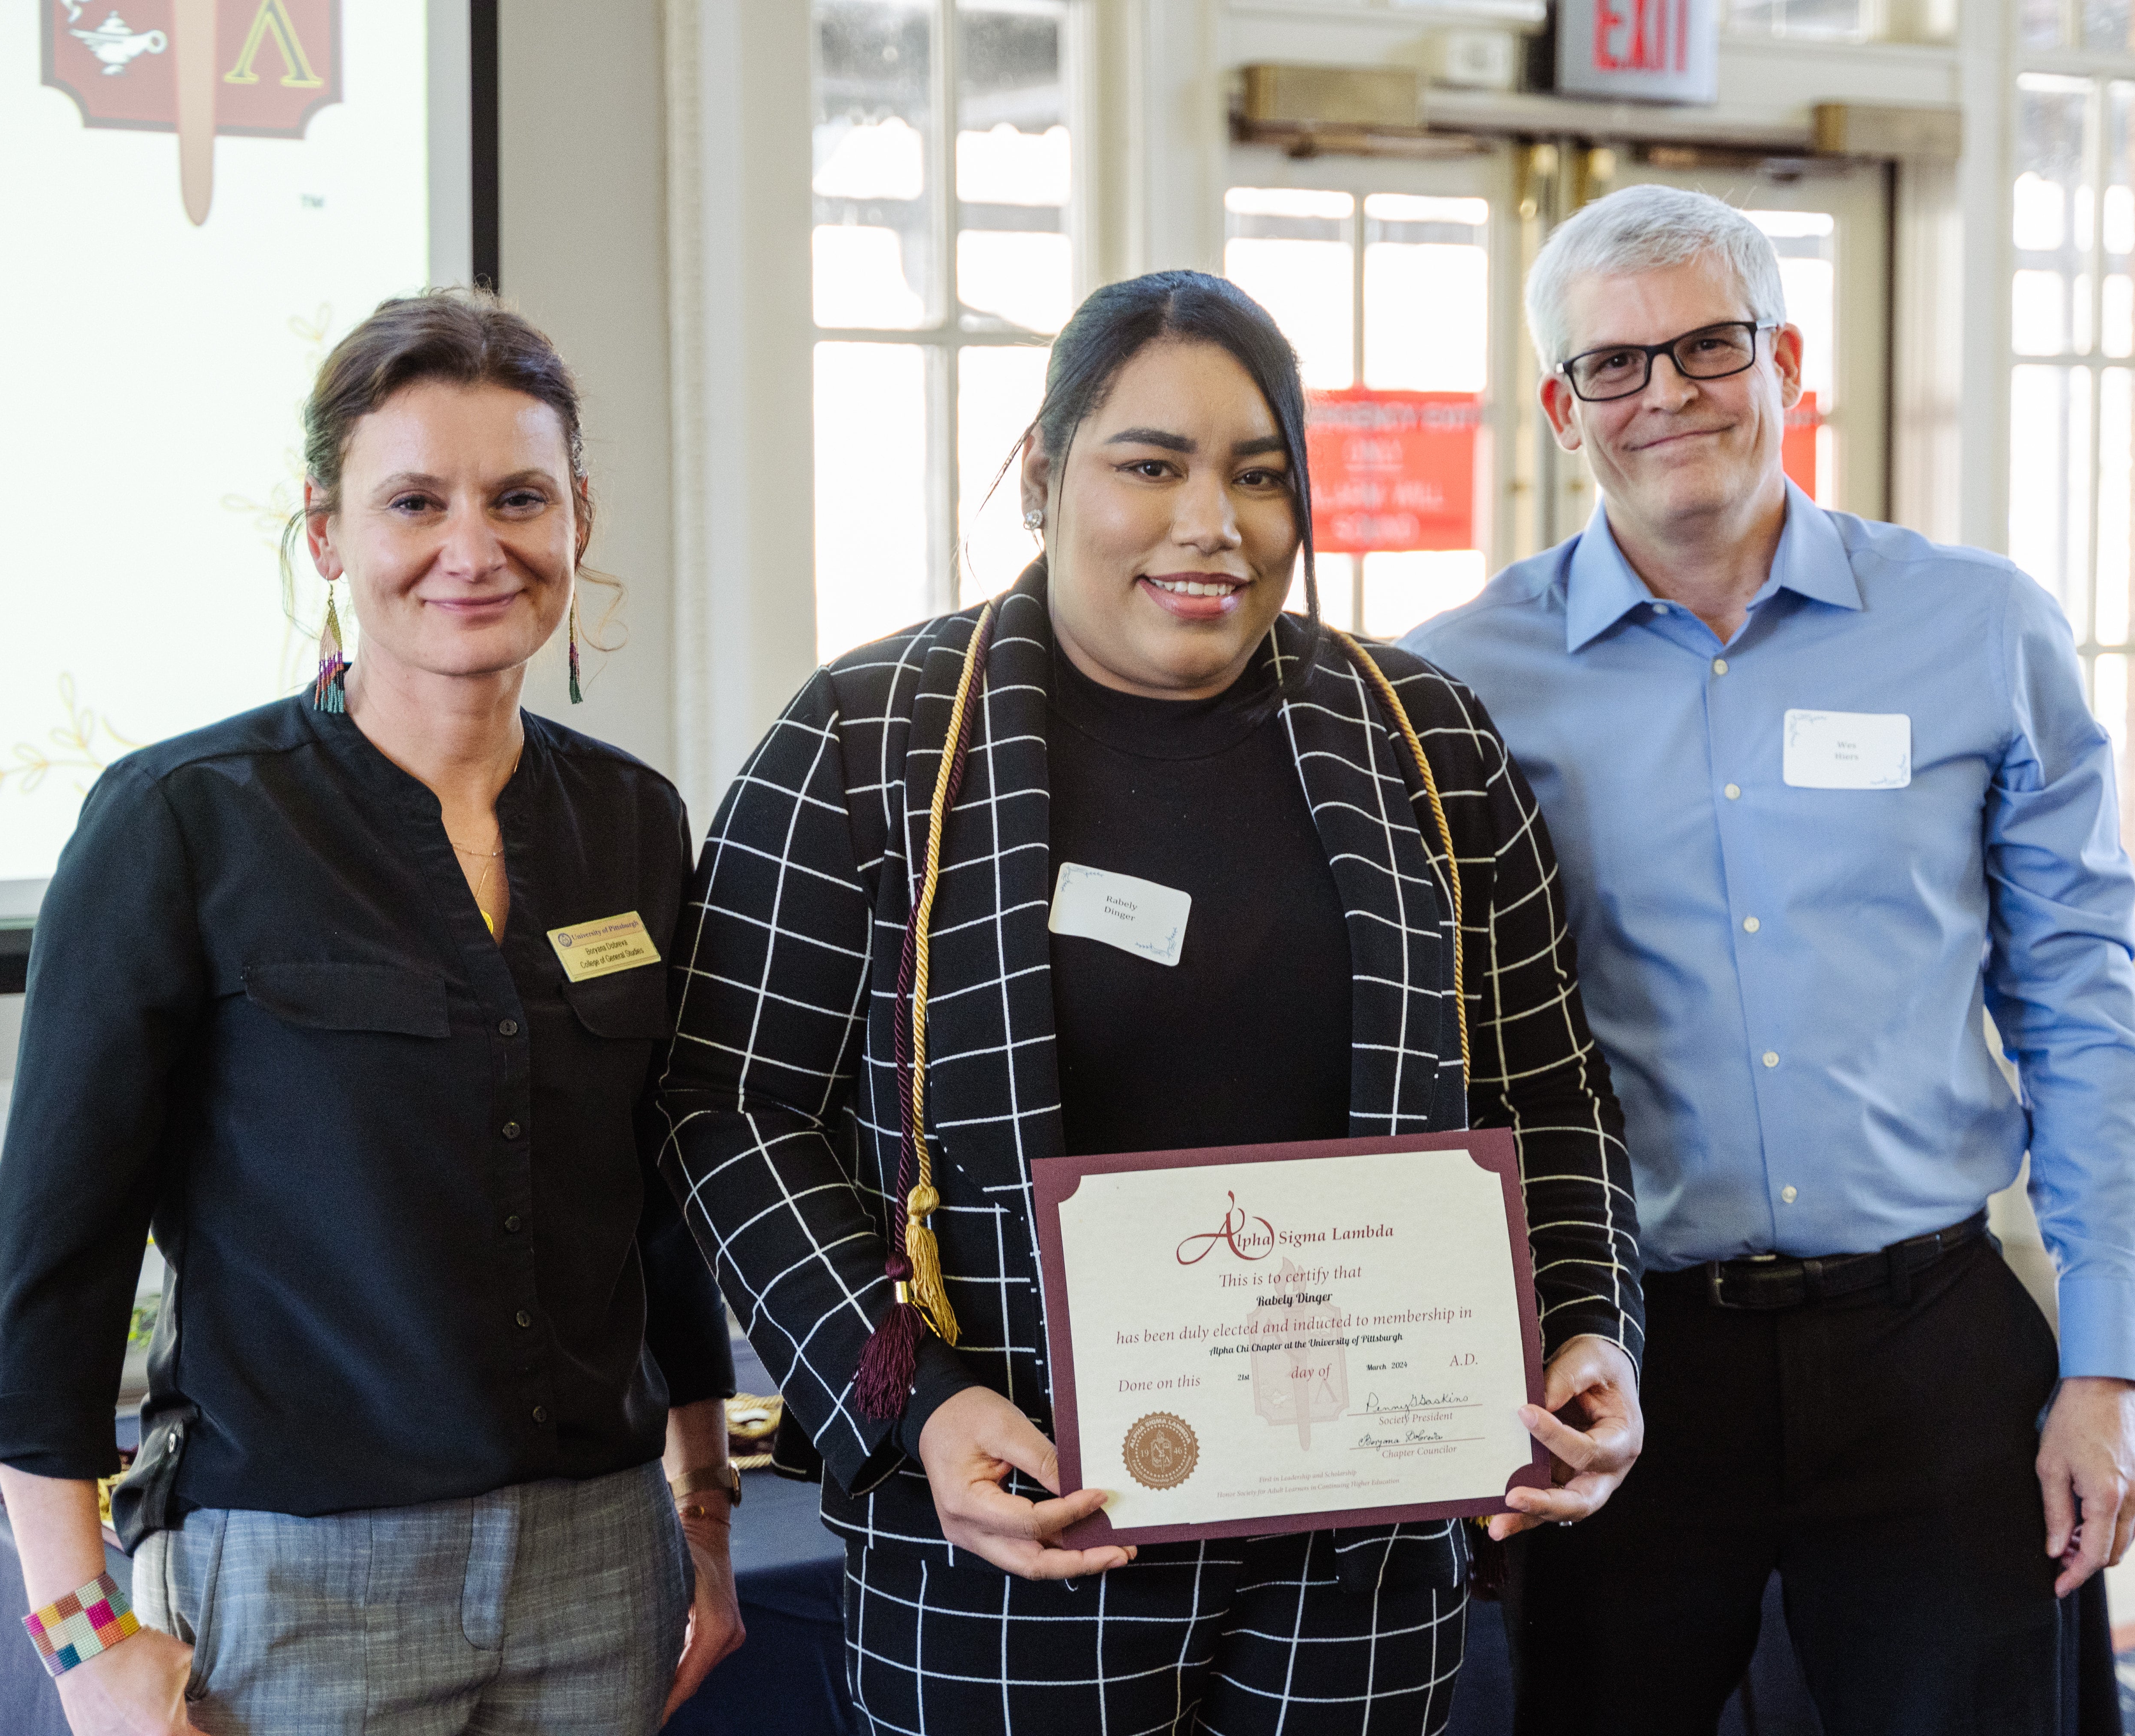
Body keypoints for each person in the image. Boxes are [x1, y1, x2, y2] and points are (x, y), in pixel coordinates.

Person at [662, 270, 1645, 1736]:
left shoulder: (1427, 740)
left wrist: (1592, 1329)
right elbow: (729, 1109)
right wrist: (910, 1407)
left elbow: (1551, 1093)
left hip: (1360, 1550)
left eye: (1261, 476)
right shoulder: (865, 744)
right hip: (1010, 1541)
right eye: (1151, 465)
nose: (1213, 524)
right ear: (1047, 478)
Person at [1399, 184, 2135, 1735]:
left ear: (1788, 361)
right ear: (1562, 406)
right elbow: (1429, 1050)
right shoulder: (1455, 681)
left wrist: (2109, 1368)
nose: (1667, 393)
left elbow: (2081, 1001)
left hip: (1934, 1343)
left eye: (1709, 345)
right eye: (1615, 365)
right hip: (1625, 1363)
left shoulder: (1982, 627)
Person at [0, 289, 744, 1736]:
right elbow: (49, 1272)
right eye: (413, 502)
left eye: (520, 498)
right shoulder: (181, 823)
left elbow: (659, 1204)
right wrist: (83, 1643)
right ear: (327, 538)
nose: (472, 547)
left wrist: (701, 1511)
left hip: (597, 1571)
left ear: (579, 520)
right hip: (299, 1576)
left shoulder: (634, 821)